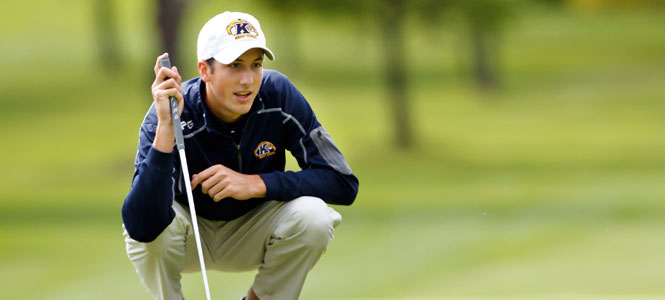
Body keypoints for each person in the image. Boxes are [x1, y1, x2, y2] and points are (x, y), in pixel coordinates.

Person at [121, 11, 358, 300]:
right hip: (187, 237)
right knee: (147, 237)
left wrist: (256, 184)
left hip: (255, 231)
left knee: (315, 218)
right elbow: (141, 225)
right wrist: (167, 129)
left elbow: (342, 183)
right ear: (205, 71)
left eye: (255, 65)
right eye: (235, 65)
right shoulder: (168, 113)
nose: (248, 79)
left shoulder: (278, 96)